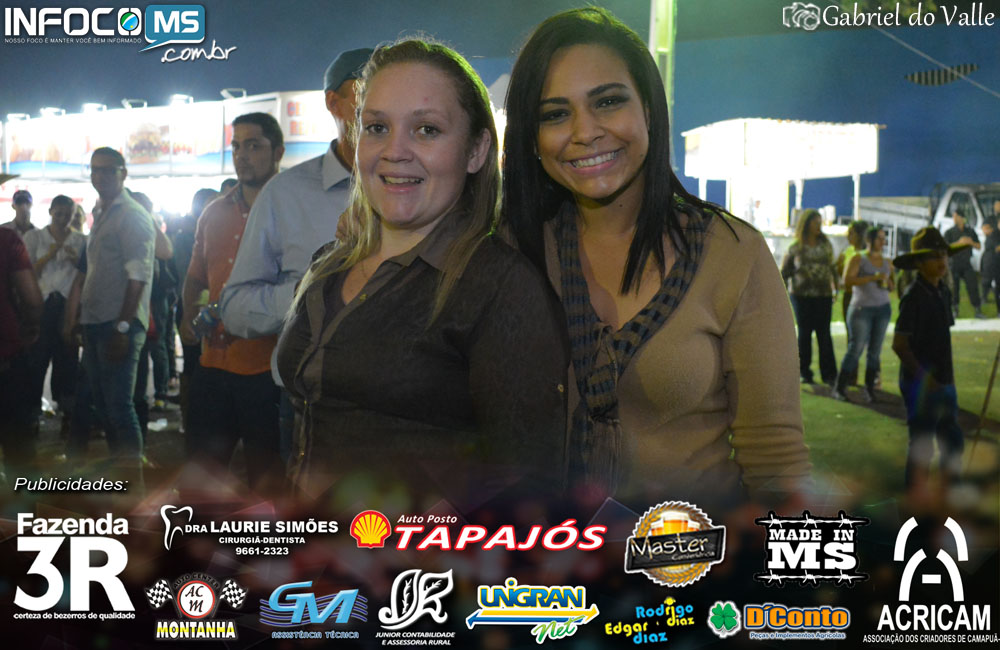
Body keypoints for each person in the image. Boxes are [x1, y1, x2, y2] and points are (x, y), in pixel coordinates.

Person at [502, 7, 809, 506]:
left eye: (608, 101)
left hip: (692, 547)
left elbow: (775, 461)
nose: (585, 131)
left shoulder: (733, 253)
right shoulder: (514, 252)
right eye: (554, 114)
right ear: (531, 138)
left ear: (648, 108)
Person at [276, 39, 567, 507]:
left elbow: (526, 482)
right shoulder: (329, 263)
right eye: (377, 127)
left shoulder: (498, 286)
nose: (395, 151)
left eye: (427, 130)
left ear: (476, 151)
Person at [220, 47, 372, 462]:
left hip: (409, 410)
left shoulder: (421, 185)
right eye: (365, 89)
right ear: (333, 103)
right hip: (312, 404)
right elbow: (235, 306)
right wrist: (315, 293)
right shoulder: (285, 194)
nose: (381, 103)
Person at [181, 113, 286, 492]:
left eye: (253, 145)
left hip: (269, 371)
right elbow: (196, 276)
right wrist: (187, 316)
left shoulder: (291, 211)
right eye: (237, 146)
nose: (242, 155)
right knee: (201, 477)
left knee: (268, 483)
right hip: (214, 364)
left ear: (278, 151)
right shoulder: (214, 212)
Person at [76, 147, 156, 478]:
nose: (101, 176)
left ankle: (132, 483)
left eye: (109, 170)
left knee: (120, 407)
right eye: (95, 170)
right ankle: (121, 476)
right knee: (106, 406)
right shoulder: (102, 211)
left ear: (123, 173)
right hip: (97, 322)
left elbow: (138, 275)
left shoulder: (131, 215)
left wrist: (123, 327)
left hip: (118, 324)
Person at [891, 227, 967, 494]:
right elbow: (900, 344)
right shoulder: (914, 297)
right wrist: (925, 378)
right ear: (920, 263)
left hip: (945, 379)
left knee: (952, 440)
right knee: (922, 446)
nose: (942, 260)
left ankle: (949, 492)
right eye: (934, 256)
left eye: (944, 254)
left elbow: (942, 336)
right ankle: (915, 499)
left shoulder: (942, 291)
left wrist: (946, 379)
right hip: (921, 383)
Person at [23, 195, 86, 425]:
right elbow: (27, 272)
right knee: (37, 357)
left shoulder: (81, 240)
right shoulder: (35, 237)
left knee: (67, 359)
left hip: (68, 304)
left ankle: (68, 410)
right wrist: (49, 255)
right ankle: (32, 411)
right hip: (43, 303)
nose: (62, 219)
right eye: (58, 213)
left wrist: (74, 258)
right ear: (50, 212)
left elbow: (84, 274)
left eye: (67, 214)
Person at [0, 226, 43, 481]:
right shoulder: (7, 240)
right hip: (6, 357)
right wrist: (30, 327)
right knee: (19, 451)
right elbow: (33, 300)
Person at [832, 227, 893, 403]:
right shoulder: (859, 258)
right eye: (879, 238)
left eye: (884, 238)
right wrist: (872, 277)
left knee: (875, 351)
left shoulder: (886, 262)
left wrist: (888, 283)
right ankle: (840, 387)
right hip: (861, 309)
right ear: (870, 240)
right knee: (856, 348)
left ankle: (870, 389)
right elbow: (847, 281)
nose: (883, 242)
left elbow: (891, 285)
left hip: (882, 308)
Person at [782, 209, 838, 386]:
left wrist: (836, 288)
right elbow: (785, 272)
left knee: (824, 334)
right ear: (806, 224)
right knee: (804, 334)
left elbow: (832, 268)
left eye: (820, 222)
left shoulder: (826, 245)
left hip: (823, 295)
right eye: (815, 223)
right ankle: (804, 371)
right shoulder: (796, 248)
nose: (818, 226)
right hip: (801, 296)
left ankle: (829, 373)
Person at [943, 208, 984, 318]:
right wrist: (959, 242)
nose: (954, 218)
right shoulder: (949, 232)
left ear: (961, 218)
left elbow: (979, 246)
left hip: (967, 263)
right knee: (954, 288)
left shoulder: (970, 231)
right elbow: (945, 249)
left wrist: (971, 242)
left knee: (973, 286)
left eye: (956, 216)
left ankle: (977, 310)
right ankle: (955, 310)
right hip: (954, 263)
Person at [979, 217, 1000, 314]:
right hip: (991, 263)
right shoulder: (993, 235)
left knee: (995, 286)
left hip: (993, 263)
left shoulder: (995, 234)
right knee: (989, 283)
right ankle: (984, 299)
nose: (983, 231)